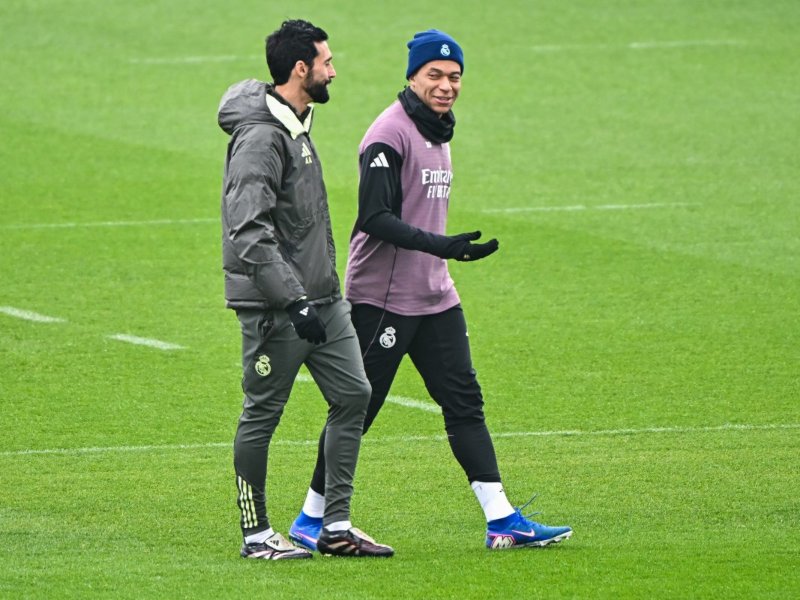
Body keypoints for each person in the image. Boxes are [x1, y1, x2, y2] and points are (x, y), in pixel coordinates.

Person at [289, 29, 573, 551]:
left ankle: (501, 518)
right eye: (435, 76)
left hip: (436, 296)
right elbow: (374, 219)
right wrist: (445, 246)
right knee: (359, 408)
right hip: (383, 299)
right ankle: (311, 519)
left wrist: (441, 258)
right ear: (413, 77)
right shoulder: (387, 135)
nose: (446, 86)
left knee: (464, 401)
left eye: (454, 77)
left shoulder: (438, 130)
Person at [218, 19, 394, 559]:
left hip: (323, 300)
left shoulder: (297, 123)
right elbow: (248, 231)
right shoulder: (261, 139)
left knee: (355, 395)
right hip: (278, 309)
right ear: (302, 69)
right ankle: (256, 535)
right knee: (262, 414)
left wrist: (316, 294)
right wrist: (292, 299)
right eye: (327, 61)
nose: (333, 70)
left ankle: (333, 525)